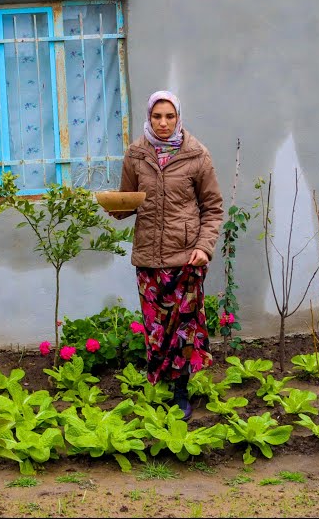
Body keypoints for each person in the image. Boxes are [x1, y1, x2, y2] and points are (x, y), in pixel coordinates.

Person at [109, 90, 223, 419]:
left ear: (178, 118)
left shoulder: (197, 155)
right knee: (156, 327)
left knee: (185, 328)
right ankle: (163, 383)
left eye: (169, 116)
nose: (162, 123)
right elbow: (129, 199)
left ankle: (181, 391)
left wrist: (204, 247)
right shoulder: (136, 154)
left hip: (187, 257)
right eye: (157, 116)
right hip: (148, 257)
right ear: (149, 117)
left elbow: (213, 208)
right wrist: (115, 208)